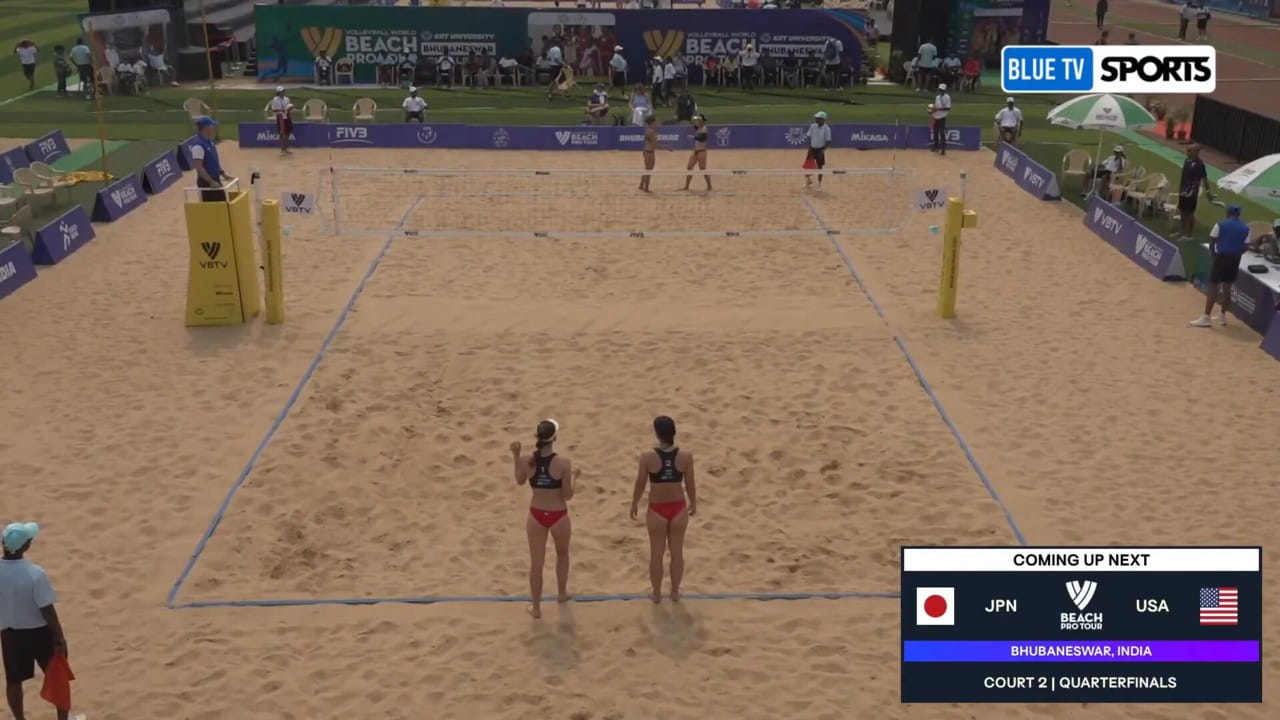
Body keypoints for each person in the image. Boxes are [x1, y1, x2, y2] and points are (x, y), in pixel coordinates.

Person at [1, 522, 71, 720]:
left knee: (13, 681)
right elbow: (47, 610)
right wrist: (59, 637)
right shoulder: (35, 574)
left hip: (10, 633)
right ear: (26, 546)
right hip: (40, 633)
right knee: (58, 679)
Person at [510, 419, 576, 619]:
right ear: (554, 438)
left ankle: (536, 608)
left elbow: (520, 480)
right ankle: (562, 593)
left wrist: (515, 456)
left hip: (537, 515)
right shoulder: (563, 464)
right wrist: (576, 478)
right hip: (558, 515)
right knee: (562, 555)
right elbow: (567, 495)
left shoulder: (526, 460)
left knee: (536, 564)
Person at [629, 416, 697, 603]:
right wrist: (693, 502)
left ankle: (657, 594)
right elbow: (690, 484)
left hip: (657, 510)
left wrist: (634, 502)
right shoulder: (685, 457)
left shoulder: (647, 457)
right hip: (678, 508)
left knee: (656, 555)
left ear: (657, 434)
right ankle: (674, 592)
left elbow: (640, 483)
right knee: (677, 554)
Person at [1191, 205, 1250, 327]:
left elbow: (1212, 242)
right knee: (1227, 287)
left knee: (1213, 286)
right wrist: (1236, 253)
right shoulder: (1246, 228)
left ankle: (1206, 317)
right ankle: (1222, 315)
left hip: (1221, 257)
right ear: (1239, 214)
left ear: (1227, 213)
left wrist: (1214, 255)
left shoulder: (1220, 224)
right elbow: (1245, 247)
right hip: (1235, 259)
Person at [1175, 144, 1213, 239]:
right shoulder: (1187, 161)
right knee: (1182, 211)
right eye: (1187, 150)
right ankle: (1182, 231)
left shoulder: (1200, 164)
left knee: (1190, 213)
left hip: (1192, 193)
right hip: (1183, 190)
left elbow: (1204, 179)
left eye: (1189, 150)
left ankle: (1189, 234)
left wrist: (1208, 192)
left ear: (1196, 152)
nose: (1187, 152)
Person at [192, 116, 232, 202]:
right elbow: (199, 167)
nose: (214, 128)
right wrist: (211, 182)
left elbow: (214, 160)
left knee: (223, 204)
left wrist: (223, 174)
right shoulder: (198, 145)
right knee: (213, 208)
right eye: (212, 126)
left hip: (215, 180)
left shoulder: (210, 141)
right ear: (206, 128)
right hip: (207, 183)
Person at [640, 114, 671, 192]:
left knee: (647, 169)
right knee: (649, 171)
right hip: (649, 152)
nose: (656, 123)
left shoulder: (649, 130)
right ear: (652, 122)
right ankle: (646, 188)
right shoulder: (651, 132)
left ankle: (641, 185)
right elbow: (656, 145)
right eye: (655, 122)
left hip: (647, 151)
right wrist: (666, 147)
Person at [682, 115, 711, 191]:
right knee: (689, 167)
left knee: (703, 169)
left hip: (702, 151)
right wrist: (692, 120)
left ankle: (709, 186)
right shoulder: (698, 128)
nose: (697, 122)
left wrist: (693, 137)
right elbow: (694, 125)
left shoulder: (704, 129)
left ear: (702, 121)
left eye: (699, 120)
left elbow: (702, 138)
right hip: (696, 151)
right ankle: (686, 186)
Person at [805, 110, 832, 188]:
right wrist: (810, 146)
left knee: (820, 167)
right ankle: (808, 181)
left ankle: (819, 184)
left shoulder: (827, 129)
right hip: (812, 149)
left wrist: (822, 151)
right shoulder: (812, 126)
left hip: (820, 150)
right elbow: (808, 136)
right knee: (808, 166)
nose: (815, 119)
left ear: (822, 120)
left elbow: (828, 141)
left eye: (817, 118)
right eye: (816, 118)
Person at [266, 86, 294, 156]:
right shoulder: (275, 100)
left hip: (287, 116)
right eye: (281, 91)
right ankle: (282, 149)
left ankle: (286, 148)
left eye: (283, 91)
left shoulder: (287, 99)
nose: (282, 92)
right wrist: (281, 110)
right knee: (282, 133)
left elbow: (288, 108)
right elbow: (273, 110)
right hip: (280, 116)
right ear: (278, 92)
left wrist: (290, 109)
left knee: (288, 132)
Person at [931, 83, 952, 155]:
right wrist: (932, 109)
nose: (941, 91)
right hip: (936, 116)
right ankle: (936, 146)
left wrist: (938, 109)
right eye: (940, 90)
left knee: (942, 133)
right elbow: (935, 106)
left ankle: (943, 149)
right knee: (935, 132)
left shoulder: (947, 97)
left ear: (945, 90)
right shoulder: (937, 97)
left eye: (942, 90)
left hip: (942, 117)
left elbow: (948, 108)